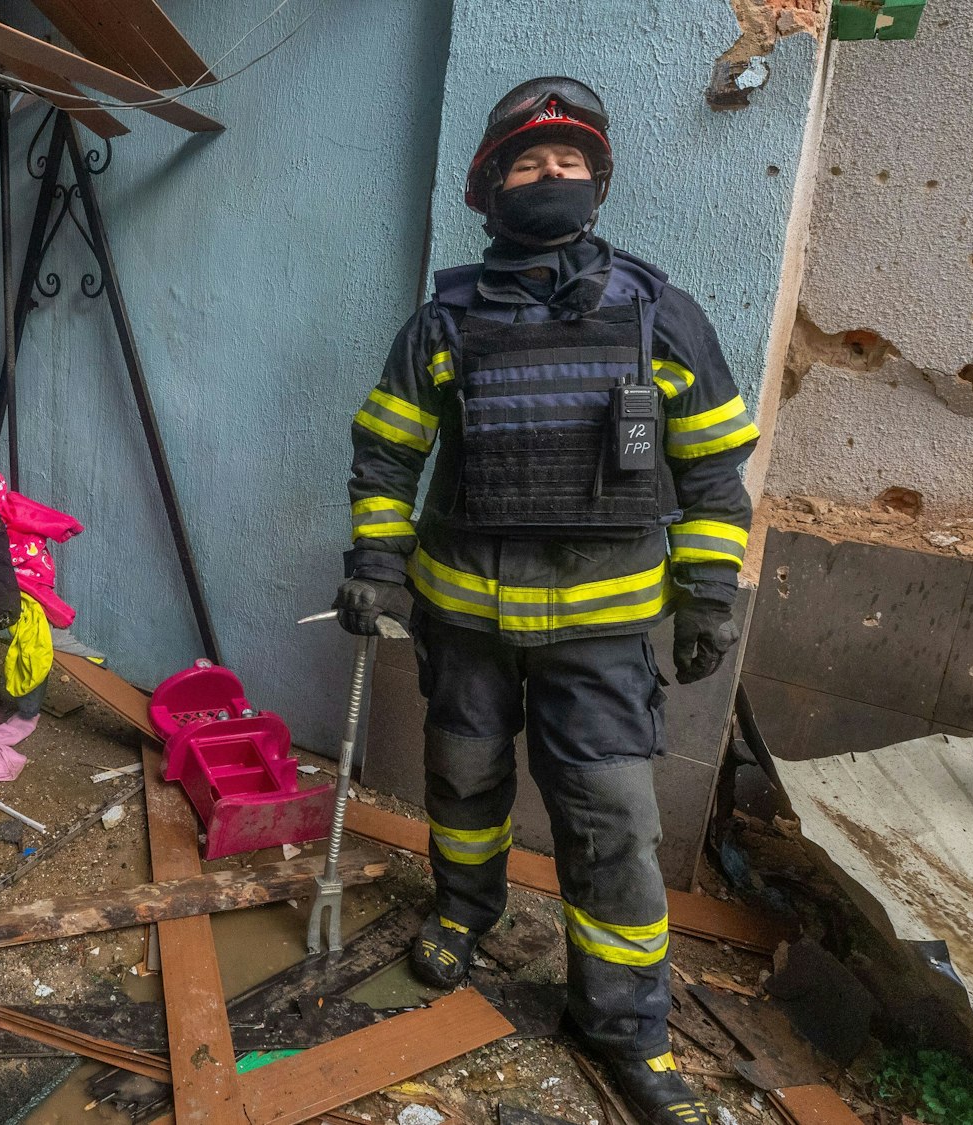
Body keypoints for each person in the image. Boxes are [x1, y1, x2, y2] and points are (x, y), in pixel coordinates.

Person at [334, 78, 755, 1125]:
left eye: (570, 163)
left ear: (596, 184)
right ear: (489, 190)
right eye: (528, 164)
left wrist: (707, 593)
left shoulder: (659, 316)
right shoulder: (441, 321)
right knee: (462, 785)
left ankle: (623, 1028)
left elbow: (711, 469)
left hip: (601, 639)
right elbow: (384, 457)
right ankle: (461, 914)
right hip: (464, 625)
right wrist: (376, 567)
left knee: (610, 824)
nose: (551, 176)